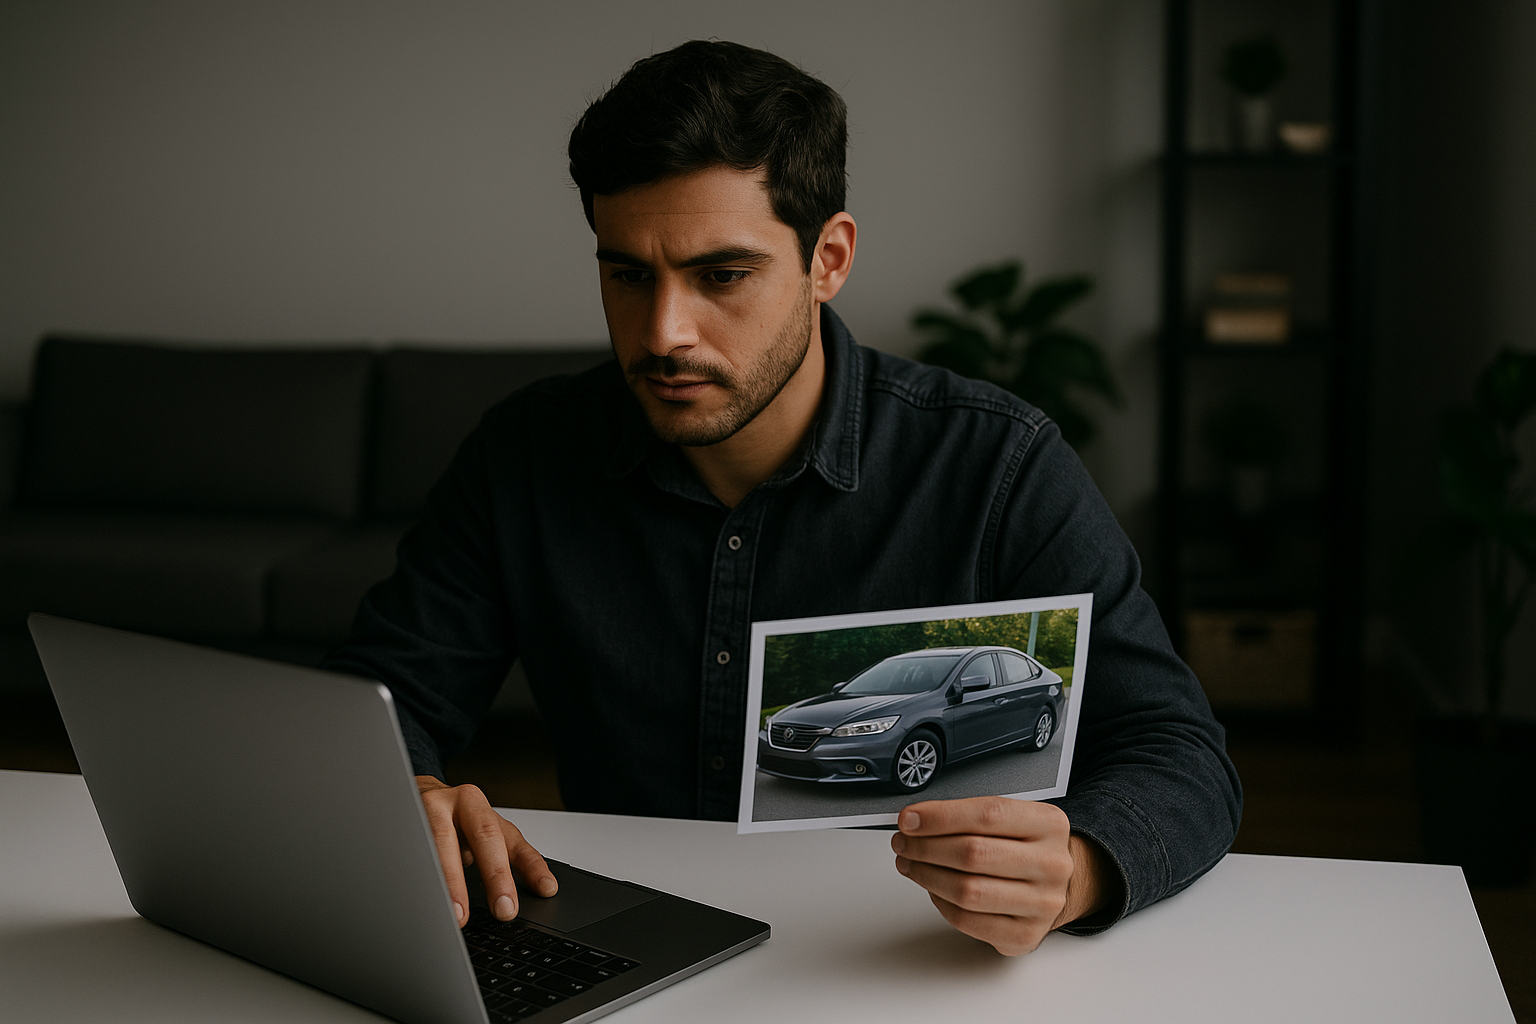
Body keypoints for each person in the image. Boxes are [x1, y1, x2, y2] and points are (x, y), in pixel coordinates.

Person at [322, 39, 1241, 957]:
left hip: (898, 955)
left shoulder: (996, 464)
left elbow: (1179, 751)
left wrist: (1077, 869)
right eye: (627, 274)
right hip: (621, 946)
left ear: (827, 258)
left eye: (722, 276)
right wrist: (405, 793)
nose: (664, 332)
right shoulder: (522, 456)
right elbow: (376, 701)